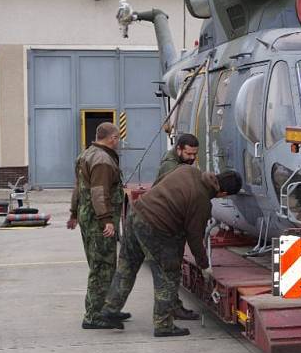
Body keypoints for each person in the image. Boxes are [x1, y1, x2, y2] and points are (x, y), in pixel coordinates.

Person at [100, 167, 242, 337]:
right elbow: (195, 237)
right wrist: (204, 265)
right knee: (168, 275)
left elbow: (160, 182)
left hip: (136, 212)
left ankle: (110, 308)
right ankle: (163, 325)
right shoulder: (202, 201)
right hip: (155, 227)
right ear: (223, 193)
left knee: (127, 266)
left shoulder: (189, 171)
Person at [67, 122, 125, 330]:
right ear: (112, 138)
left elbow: (79, 187)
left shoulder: (86, 154)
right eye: (118, 138)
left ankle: (108, 309)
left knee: (103, 265)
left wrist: (74, 213)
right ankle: (94, 315)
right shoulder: (102, 160)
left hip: (87, 217)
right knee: (102, 267)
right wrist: (106, 220)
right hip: (98, 221)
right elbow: (99, 192)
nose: (118, 142)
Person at [153, 133, 201, 321]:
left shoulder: (178, 163)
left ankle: (173, 306)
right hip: (166, 226)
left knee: (172, 272)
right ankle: (168, 312)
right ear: (179, 149)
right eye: (189, 154)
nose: (192, 158)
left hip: (170, 224)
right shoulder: (171, 168)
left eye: (194, 154)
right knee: (169, 273)